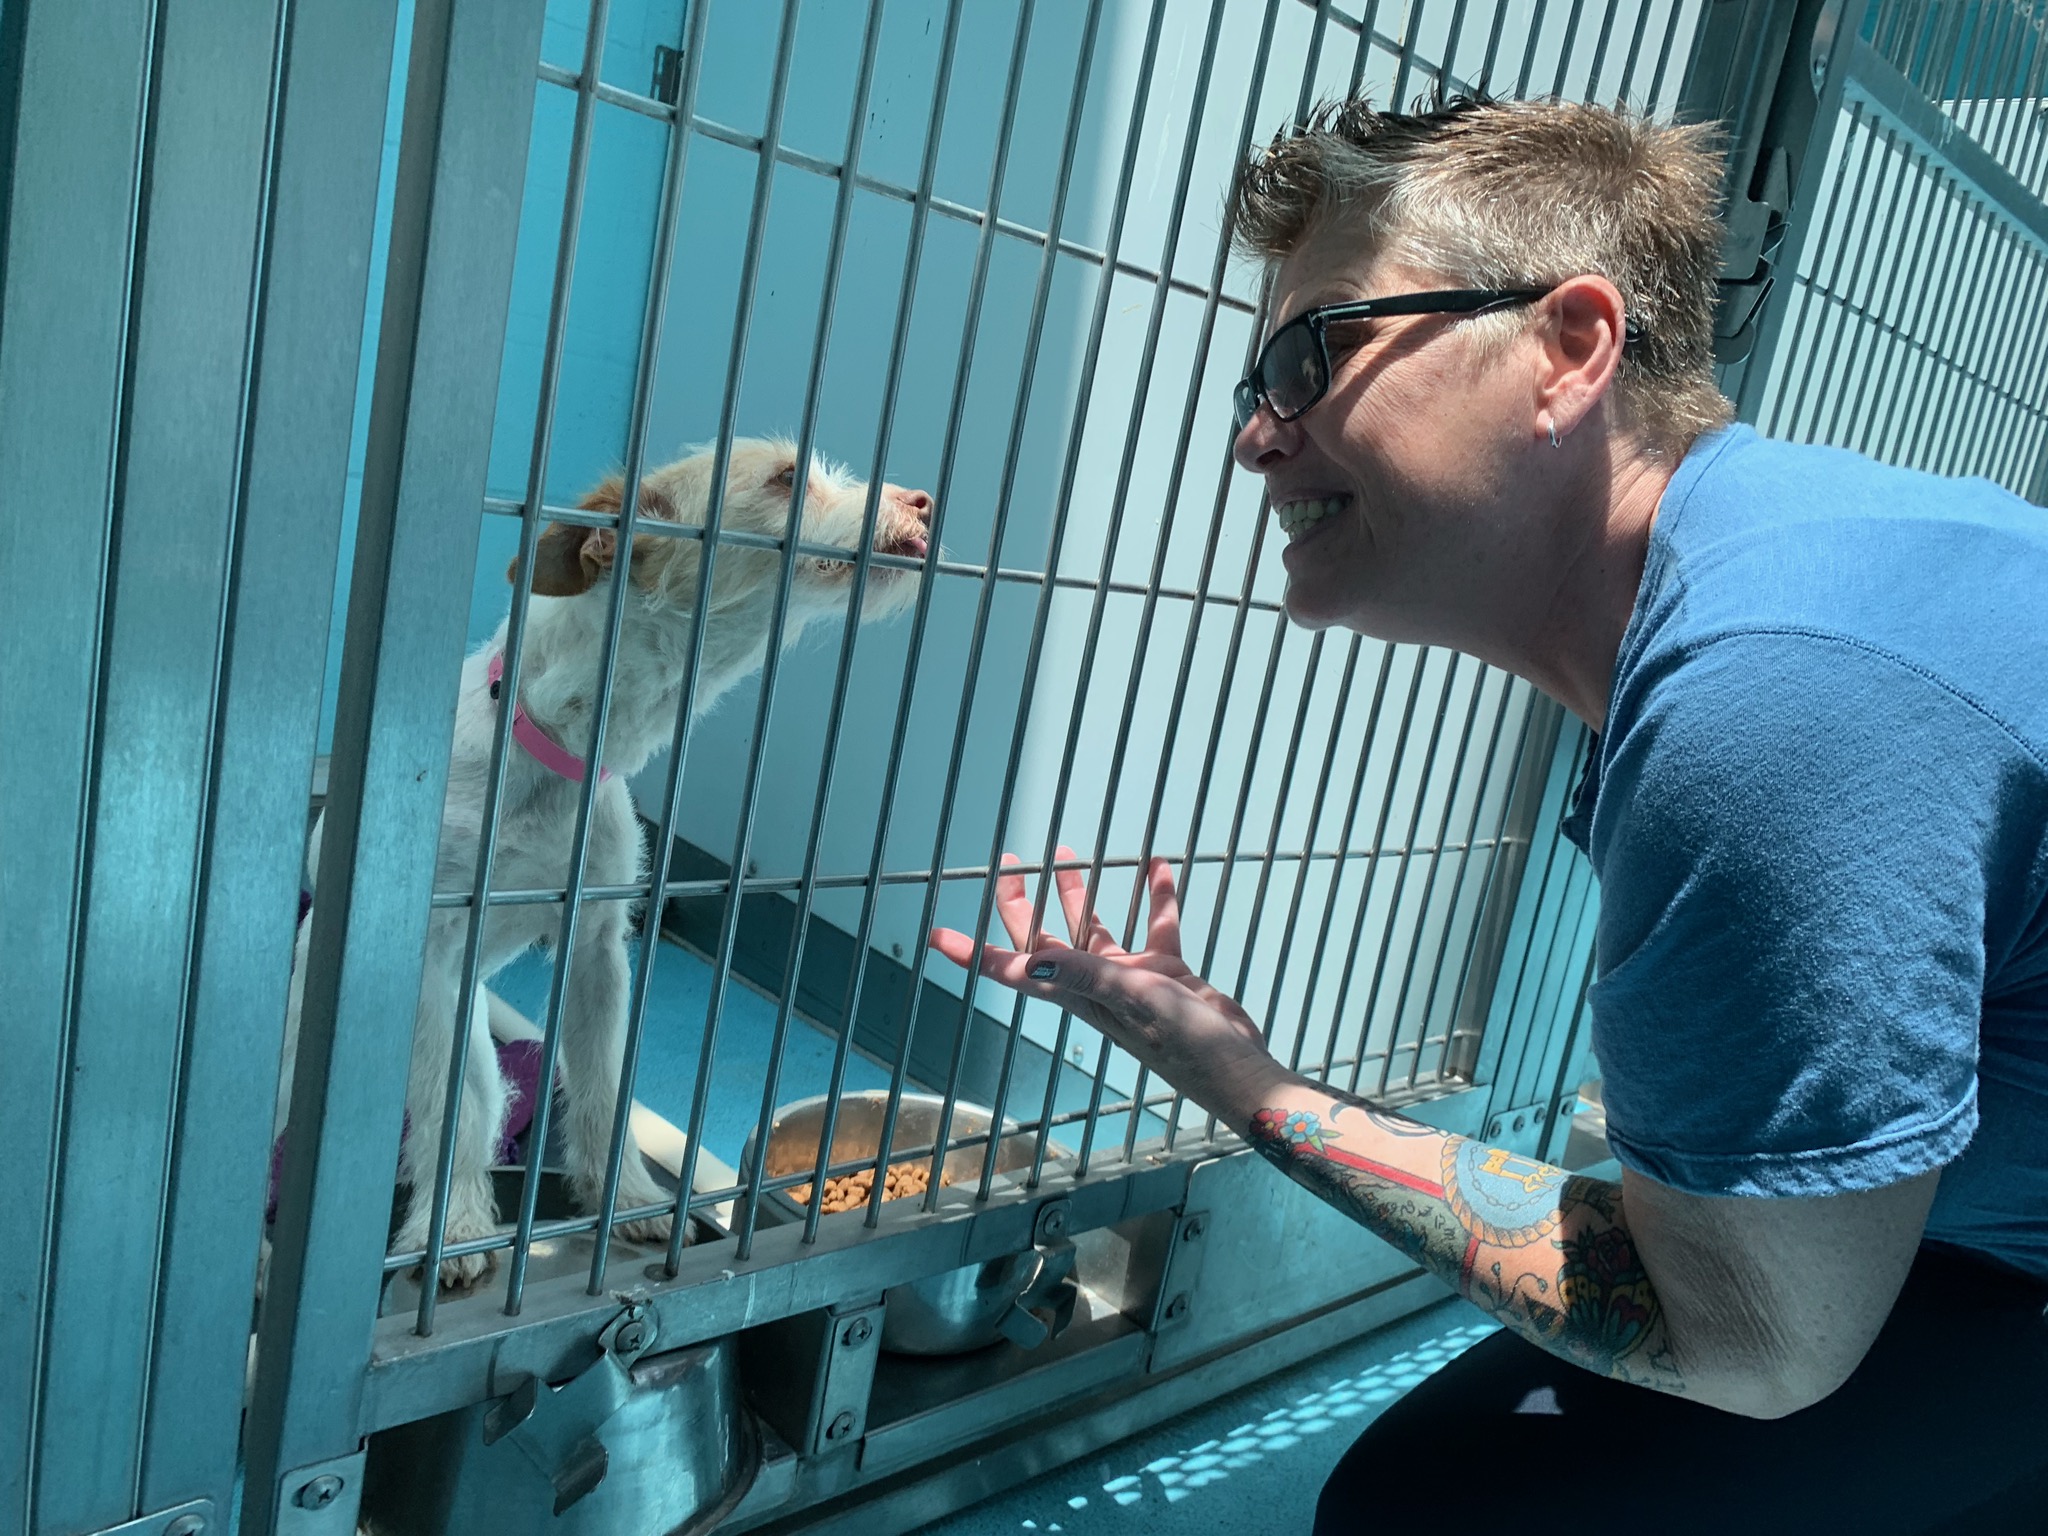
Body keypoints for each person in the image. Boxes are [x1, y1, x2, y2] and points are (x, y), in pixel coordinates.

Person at [929, 95, 2048, 1533]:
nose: (1256, 438)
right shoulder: (1756, 580)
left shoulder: (1772, 704)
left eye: (1309, 351)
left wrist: (1255, 1095)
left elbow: (1755, 1342)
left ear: (1567, 349)